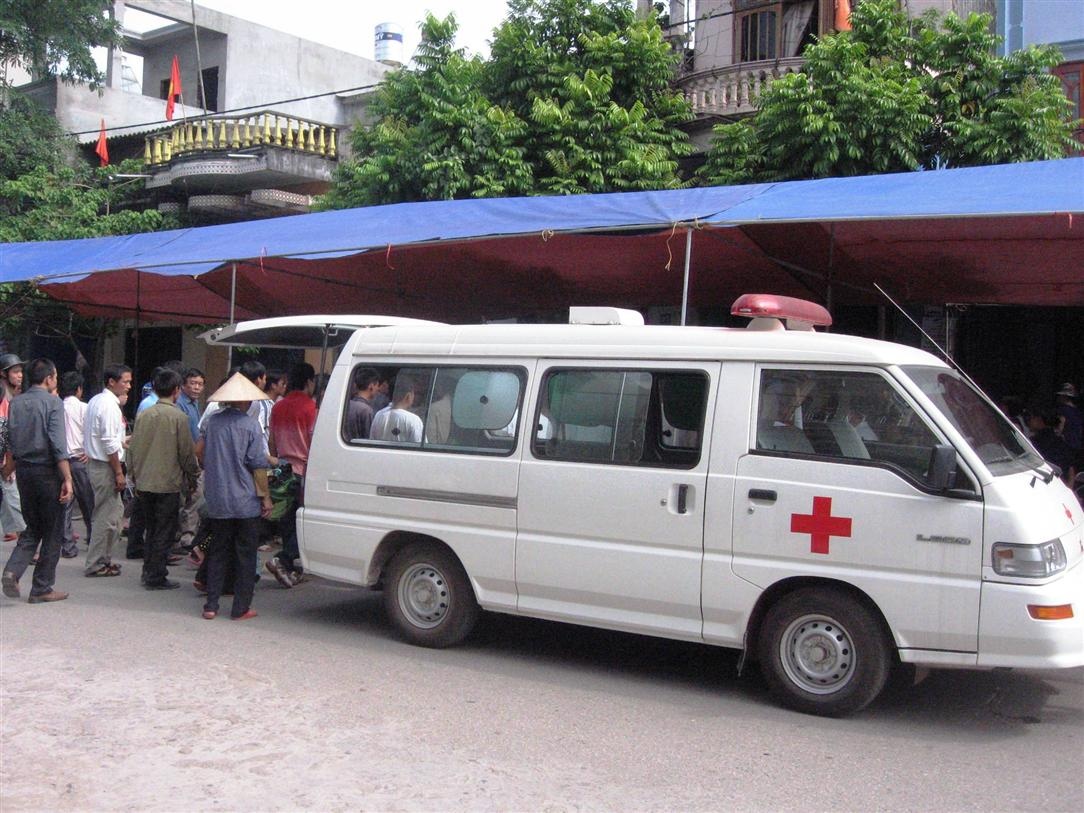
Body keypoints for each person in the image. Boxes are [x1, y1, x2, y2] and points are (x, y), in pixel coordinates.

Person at [195, 372, 272, 620]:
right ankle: (240, 607)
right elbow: (258, 465)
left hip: (218, 498)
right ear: (246, 402)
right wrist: (266, 498)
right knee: (245, 555)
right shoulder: (251, 426)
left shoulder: (212, 423)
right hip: (245, 500)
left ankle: (211, 605)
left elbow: (200, 452)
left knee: (218, 551)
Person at [1, 358, 73, 603]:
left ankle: (13, 570)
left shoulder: (16, 403)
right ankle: (42, 587)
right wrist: (68, 478)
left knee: (32, 528)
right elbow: (57, 444)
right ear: (49, 378)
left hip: (24, 471)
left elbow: (10, 439)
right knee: (53, 531)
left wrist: (9, 466)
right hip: (48, 472)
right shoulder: (53, 403)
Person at [127, 368, 199, 590]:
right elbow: (187, 453)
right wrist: (193, 476)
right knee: (164, 531)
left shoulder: (143, 415)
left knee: (151, 528)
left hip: (145, 481)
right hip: (168, 484)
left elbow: (133, 449)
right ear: (177, 390)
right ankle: (156, 575)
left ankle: (148, 571)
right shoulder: (179, 417)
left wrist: (133, 475)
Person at [265, 363, 317, 588]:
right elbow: (313, 442)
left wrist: (276, 462)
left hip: (281, 468)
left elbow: (272, 441)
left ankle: (289, 567)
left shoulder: (278, 406)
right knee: (304, 522)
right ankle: (284, 559)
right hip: (302, 471)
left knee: (287, 521)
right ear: (309, 382)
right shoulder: (310, 408)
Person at [83, 363, 132, 578]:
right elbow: (109, 443)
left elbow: (110, 439)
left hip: (100, 463)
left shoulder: (97, 401)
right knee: (105, 516)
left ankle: (103, 559)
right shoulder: (108, 405)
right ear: (112, 382)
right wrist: (119, 472)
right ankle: (95, 563)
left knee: (113, 514)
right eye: (125, 382)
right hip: (105, 466)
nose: (129, 386)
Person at [59, 371, 94, 559]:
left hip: (62, 462)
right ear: (79, 389)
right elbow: (91, 432)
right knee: (89, 503)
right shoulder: (84, 408)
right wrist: (89, 451)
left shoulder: (57, 407)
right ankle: (93, 540)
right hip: (80, 460)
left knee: (65, 506)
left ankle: (67, 545)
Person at [176, 368, 205, 550]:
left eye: (200, 384)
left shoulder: (195, 404)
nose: (196, 387)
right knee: (190, 496)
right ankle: (185, 535)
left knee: (194, 496)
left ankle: (187, 533)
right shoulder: (180, 404)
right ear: (184, 385)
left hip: (196, 456)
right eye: (193, 383)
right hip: (186, 458)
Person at [0, 353, 27, 543]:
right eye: (15, 372)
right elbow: (4, 429)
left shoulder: (11, 395)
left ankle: (12, 529)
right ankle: (27, 539)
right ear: (3, 374)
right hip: (4, 456)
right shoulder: (2, 394)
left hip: (6, 454)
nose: (20, 375)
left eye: (20, 371)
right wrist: (7, 459)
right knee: (13, 494)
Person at [370, 374, 424, 443]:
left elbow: (372, 441)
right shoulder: (413, 420)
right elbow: (418, 448)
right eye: (413, 393)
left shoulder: (379, 415)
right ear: (408, 396)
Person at [345, 367, 380, 440]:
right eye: (377, 385)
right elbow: (369, 438)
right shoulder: (366, 410)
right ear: (371, 386)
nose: (378, 389)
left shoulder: (347, 404)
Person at [1055, 382, 1081, 452]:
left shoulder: (1063, 410)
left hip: (1068, 444)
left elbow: (1060, 426)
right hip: (1079, 444)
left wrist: (1057, 435)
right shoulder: (1078, 411)